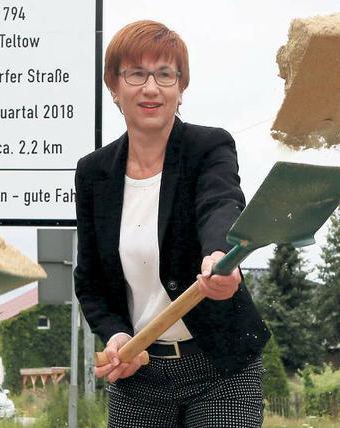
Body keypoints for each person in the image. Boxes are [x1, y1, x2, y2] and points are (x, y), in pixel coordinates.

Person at [74, 20, 269, 427]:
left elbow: (221, 202)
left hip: (219, 368)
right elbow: (91, 281)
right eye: (136, 74)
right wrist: (115, 336)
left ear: (181, 88)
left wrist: (221, 255)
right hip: (138, 376)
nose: (151, 88)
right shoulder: (93, 173)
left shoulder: (208, 146)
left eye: (165, 74)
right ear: (114, 86)